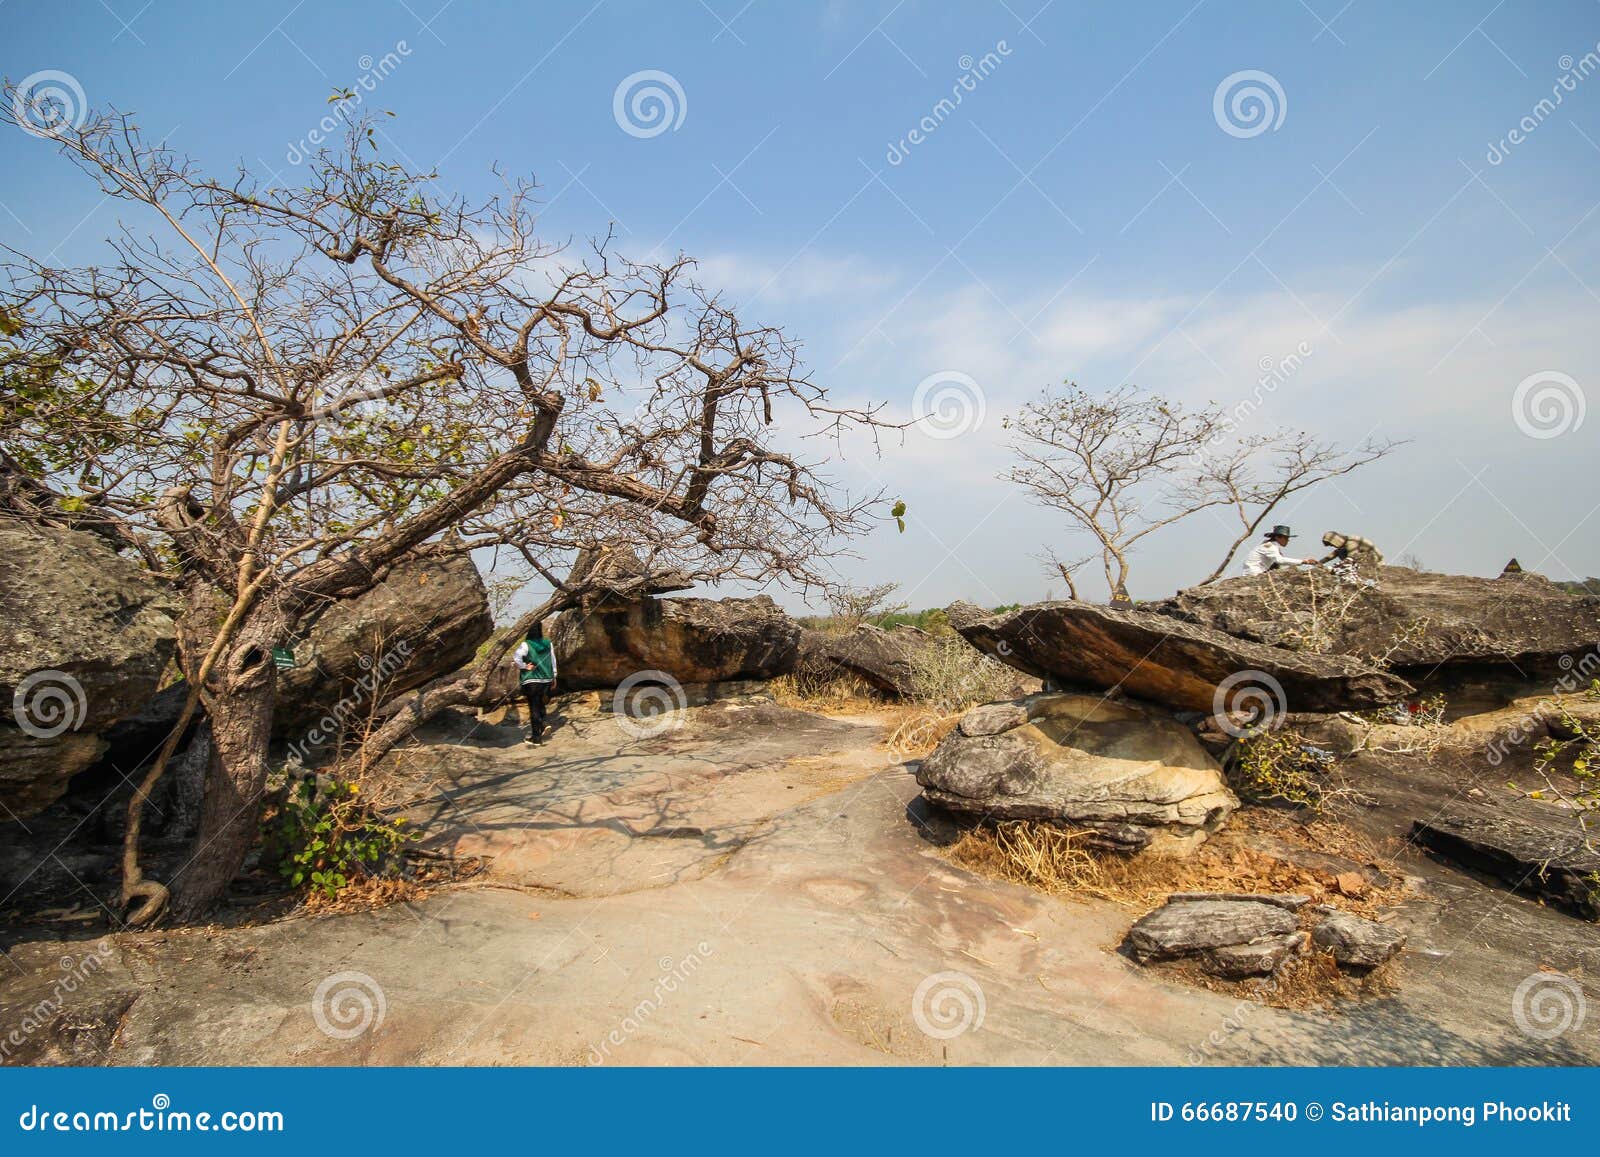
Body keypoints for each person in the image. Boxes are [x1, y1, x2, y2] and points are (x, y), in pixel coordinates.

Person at [513, 623, 558, 744]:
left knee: (533, 707)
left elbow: (516, 657)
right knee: (540, 704)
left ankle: (537, 736)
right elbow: (553, 660)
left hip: (531, 680)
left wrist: (524, 666)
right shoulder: (548, 643)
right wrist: (554, 676)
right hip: (546, 679)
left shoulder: (526, 644)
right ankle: (543, 724)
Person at [1242, 525, 1312, 575]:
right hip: (1254, 572)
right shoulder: (1270, 546)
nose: (1288, 540)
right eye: (1286, 538)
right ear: (1277, 537)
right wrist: (1303, 561)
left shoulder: (1272, 546)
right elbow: (1279, 560)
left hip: (1257, 571)